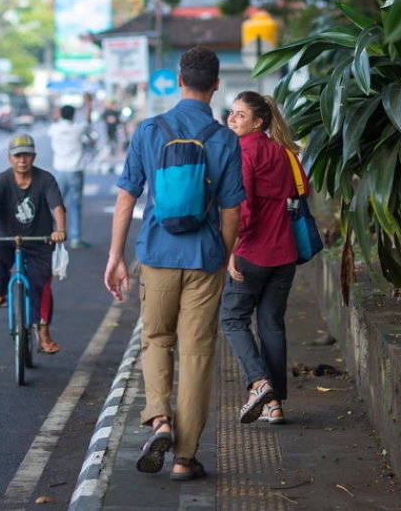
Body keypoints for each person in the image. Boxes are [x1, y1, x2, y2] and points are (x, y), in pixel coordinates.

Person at [103, 46, 245, 481]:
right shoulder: (225, 139)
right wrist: (221, 256)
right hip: (204, 259)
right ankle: (185, 457)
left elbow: (127, 198)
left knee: (156, 339)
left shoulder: (150, 130)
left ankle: (159, 419)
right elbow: (232, 209)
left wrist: (116, 257)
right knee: (198, 353)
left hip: (158, 255)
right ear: (217, 84)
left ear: (179, 80)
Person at [219, 91, 307, 426]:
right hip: (284, 253)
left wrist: (229, 250)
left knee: (232, 318)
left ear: (258, 121)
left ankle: (259, 383)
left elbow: (244, 210)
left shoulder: (244, 151)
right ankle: (275, 406)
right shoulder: (283, 151)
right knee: (271, 324)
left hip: (251, 254)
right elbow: (302, 190)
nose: (232, 118)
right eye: (232, 112)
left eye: (240, 115)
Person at [0, 133, 68, 354]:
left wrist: (60, 231)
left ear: (34, 156)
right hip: (6, 238)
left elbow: (58, 207)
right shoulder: (1, 181)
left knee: (41, 286)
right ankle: (2, 290)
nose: (22, 160)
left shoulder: (46, 179)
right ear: (9, 159)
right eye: (17, 156)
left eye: (26, 155)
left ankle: (43, 332)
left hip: (39, 241)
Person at [49, 94, 93, 249]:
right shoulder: (78, 128)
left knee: (55, 204)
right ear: (74, 115)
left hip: (60, 170)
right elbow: (88, 121)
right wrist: (89, 103)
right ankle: (75, 238)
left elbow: (55, 117)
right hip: (76, 170)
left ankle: (50, 232)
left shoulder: (54, 128)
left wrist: (56, 104)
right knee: (75, 204)